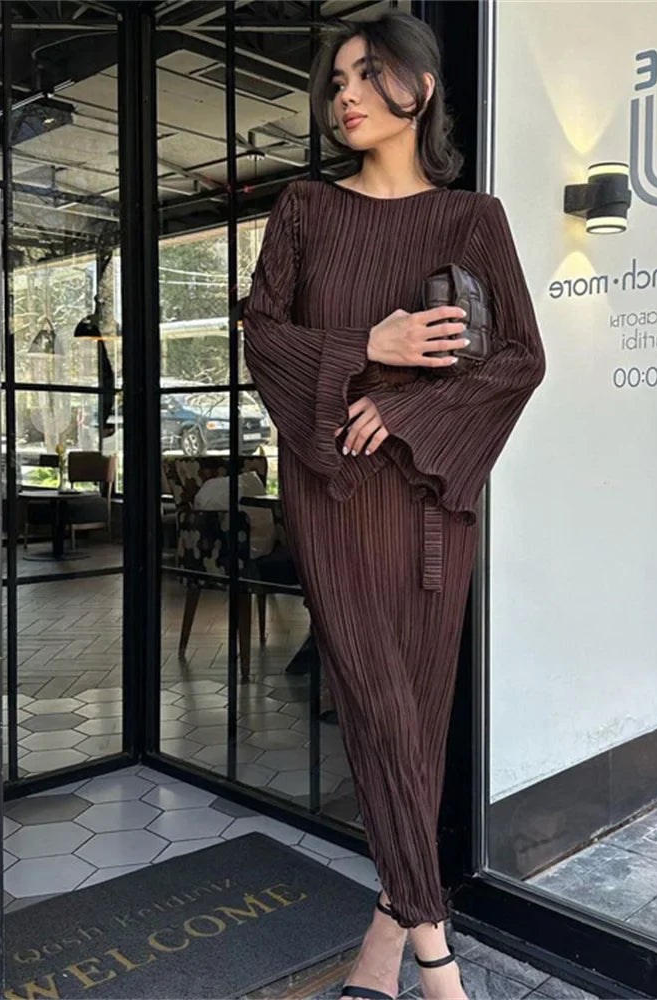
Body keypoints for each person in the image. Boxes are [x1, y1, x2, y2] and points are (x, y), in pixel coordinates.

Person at [242, 10, 546, 1000]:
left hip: (428, 505)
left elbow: (520, 359)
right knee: (377, 711)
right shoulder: (304, 210)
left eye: (368, 74)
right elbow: (261, 336)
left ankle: (380, 958)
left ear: (421, 84)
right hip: (335, 496)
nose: (347, 96)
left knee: (413, 725)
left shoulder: (473, 220)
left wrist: (406, 409)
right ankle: (439, 963)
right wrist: (364, 347)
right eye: (336, 82)